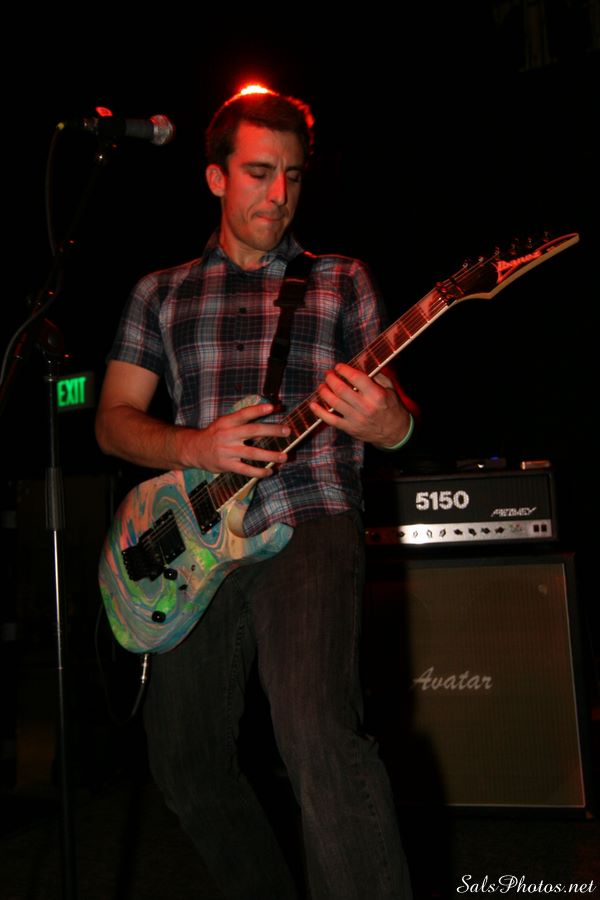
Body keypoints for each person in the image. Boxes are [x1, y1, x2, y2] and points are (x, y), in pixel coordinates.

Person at [95, 86, 415, 900]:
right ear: (215, 177)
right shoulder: (159, 292)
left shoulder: (340, 280)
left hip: (308, 518)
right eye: (260, 173)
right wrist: (195, 446)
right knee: (185, 764)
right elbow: (113, 423)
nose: (279, 194)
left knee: (317, 733)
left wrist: (390, 425)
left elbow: (396, 417)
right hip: (194, 548)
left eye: (293, 176)